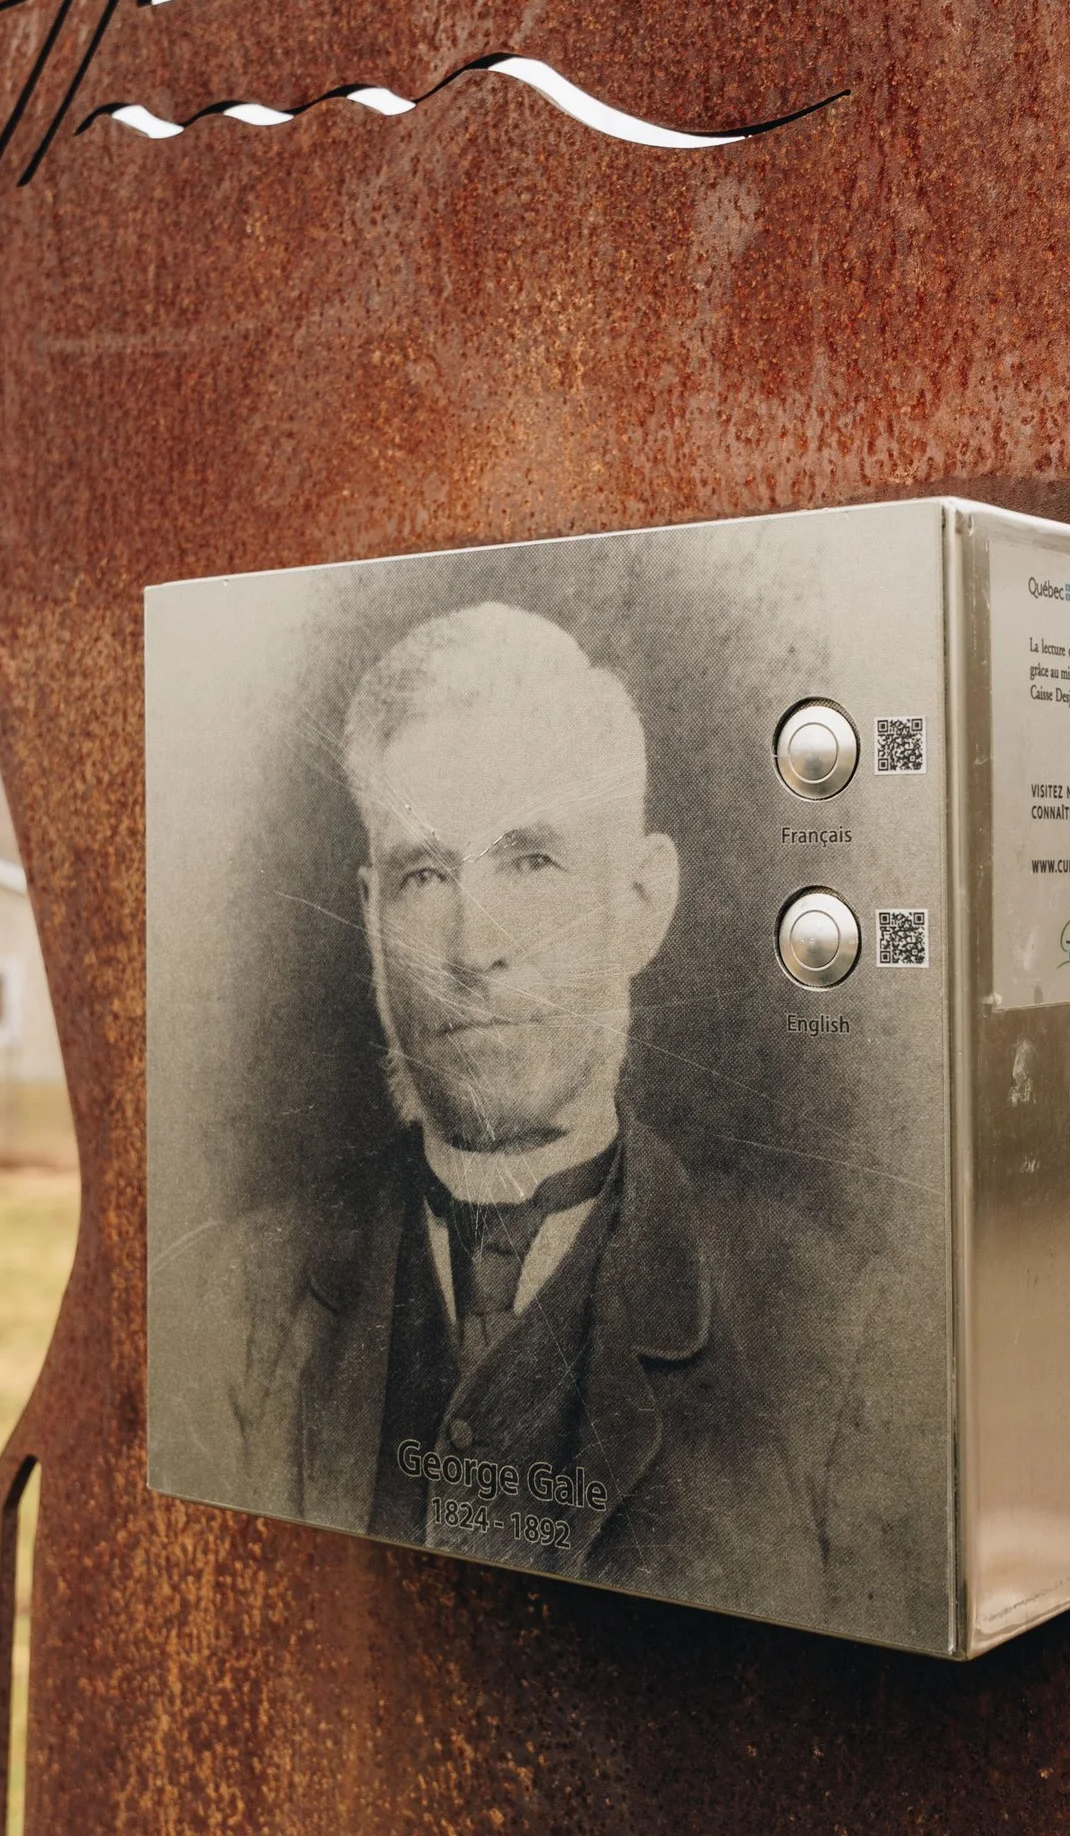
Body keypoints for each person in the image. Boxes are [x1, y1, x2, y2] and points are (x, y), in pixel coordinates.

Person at [159, 599, 941, 1646]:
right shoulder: (224, 1304)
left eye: (531, 862)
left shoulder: (840, 1339)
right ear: (371, 916)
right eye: (425, 874)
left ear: (642, 901)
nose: (470, 948)